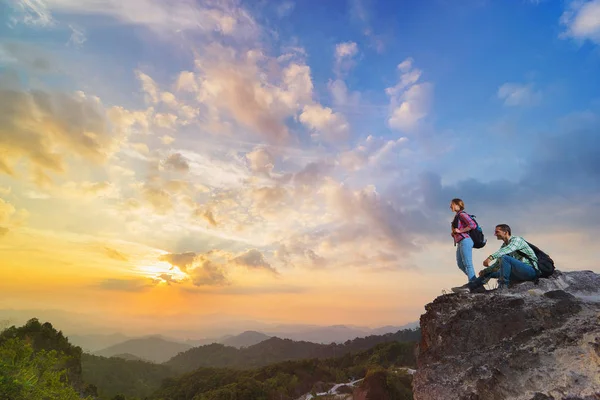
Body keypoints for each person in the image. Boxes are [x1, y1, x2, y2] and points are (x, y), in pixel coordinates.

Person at [470, 224, 539, 292]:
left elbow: (508, 249)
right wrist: (485, 271)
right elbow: (497, 265)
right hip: (518, 273)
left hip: (530, 271)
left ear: (505, 232)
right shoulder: (504, 246)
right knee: (490, 272)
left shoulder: (517, 240)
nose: (495, 234)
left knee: (505, 258)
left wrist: (490, 258)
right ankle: (471, 287)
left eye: (497, 232)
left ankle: (503, 287)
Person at [449, 198, 478, 293]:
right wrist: (454, 233)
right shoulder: (457, 216)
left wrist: (460, 231)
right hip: (460, 242)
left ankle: (474, 285)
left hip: (465, 240)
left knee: (468, 264)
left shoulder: (462, 214)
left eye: (452, 204)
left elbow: (472, 225)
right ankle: (476, 282)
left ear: (458, 204)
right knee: (460, 264)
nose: (450, 206)